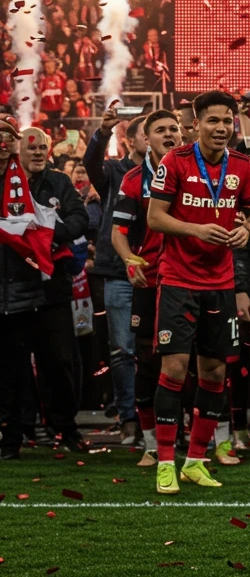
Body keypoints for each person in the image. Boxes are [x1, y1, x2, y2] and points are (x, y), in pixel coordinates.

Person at [147, 91, 250, 495]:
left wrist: (247, 230)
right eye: (213, 121)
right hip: (178, 279)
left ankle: (195, 461)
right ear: (195, 124)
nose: (221, 128)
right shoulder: (174, 162)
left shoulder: (242, 167)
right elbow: (155, 217)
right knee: (174, 369)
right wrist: (197, 229)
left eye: (227, 122)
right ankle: (165, 462)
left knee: (214, 372)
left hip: (221, 282)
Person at [8, 126, 90, 452]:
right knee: (13, 364)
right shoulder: (6, 185)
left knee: (59, 361)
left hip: (53, 289)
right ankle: (19, 429)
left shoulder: (60, 182)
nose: (38, 153)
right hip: (13, 289)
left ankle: (66, 427)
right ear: (18, 152)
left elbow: (80, 220)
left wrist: (47, 234)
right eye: (32, 148)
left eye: (42, 147)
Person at [110, 109, 184, 467]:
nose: (169, 134)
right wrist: (129, 260)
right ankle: (152, 444)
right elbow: (118, 232)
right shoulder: (134, 180)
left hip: (190, 279)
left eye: (174, 129)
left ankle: (194, 439)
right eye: (160, 130)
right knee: (147, 362)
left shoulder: (201, 173)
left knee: (195, 361)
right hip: (151, 279)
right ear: (146, 139)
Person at [83, 107, 148, 447]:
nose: (156, 138)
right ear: (132, 140)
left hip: (159, 268)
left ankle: (158, 418)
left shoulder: (171, 171)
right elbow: (90, 164)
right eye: (147, 132)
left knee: (159, 349)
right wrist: (101, 133)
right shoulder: (113, 171)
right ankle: (128, 419)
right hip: (118, 270)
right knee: (123, 349)